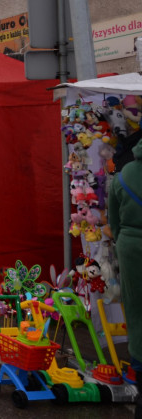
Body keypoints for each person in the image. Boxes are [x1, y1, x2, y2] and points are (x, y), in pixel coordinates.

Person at [108, 137, 142, 376]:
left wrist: (124, 243)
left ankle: (139, 366)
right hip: (129, 242)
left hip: (130, 246)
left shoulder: (123, 173)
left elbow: (114, 220)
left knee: (136, 307)